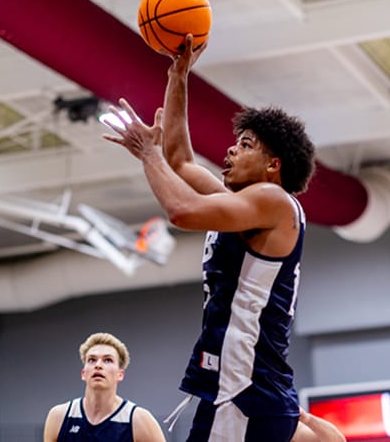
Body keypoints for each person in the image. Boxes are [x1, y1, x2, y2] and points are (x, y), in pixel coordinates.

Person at [103, 33, 316, 442]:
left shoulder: (273, 201)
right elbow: (180, 160)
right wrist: (178, 74)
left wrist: (149, 155)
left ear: (273, 165)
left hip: (244, 391)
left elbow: (181, 211)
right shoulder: (244, 207)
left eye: (246, 145)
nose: (231, 151)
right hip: (241, 390)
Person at [43, 333, 166, 442]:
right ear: (83, 373)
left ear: (120, 374)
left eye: (107, 360)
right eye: (92, 360)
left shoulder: (139, 420)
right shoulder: (59, 417)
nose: (98, 365)